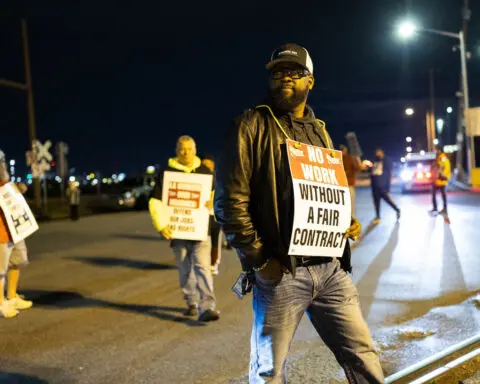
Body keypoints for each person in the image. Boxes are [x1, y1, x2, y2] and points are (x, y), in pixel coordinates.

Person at [215, 44, 384, 383]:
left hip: (331, 270)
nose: (285, 78)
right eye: (278, 72)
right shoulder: (250, 125)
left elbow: (323, 191)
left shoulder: (319, 130)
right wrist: (260, 261)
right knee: (268, 371)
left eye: (294, 72)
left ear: (311, 81)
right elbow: (229, 204)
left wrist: (343, 222)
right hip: (281, 273)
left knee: (363, 355)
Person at [149, 136, 219, 322]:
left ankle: (208, 306)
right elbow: (155, 201)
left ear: (195, 150)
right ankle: (191, 302)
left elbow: (218, 196)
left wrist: (214, 202)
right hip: (177, 231)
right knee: (185, 269)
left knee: (203, 268)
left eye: (189, 148)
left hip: (201, 231)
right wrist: (161, 224)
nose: (186, 152)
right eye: (182, 149)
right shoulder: (167, 173)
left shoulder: (205, 172)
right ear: (176, 150)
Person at [0, 150, 33, 318]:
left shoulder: (4, 181)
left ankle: (12, 296)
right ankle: (1, 304)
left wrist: (17, 189)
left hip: (14, 228)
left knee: (19, 260)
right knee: (0, 270)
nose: (2, 165)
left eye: (3, 161)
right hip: (1, 232)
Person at [364, 149, 400, 224]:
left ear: (382, 153)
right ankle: (377, 217)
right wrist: (367, 168)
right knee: (376, 202)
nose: (378, 155)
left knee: (388, 200)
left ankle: (397, 210)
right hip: (374, 185)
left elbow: (389, 174)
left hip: (382, 186)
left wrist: (388, 186)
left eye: (379, 153)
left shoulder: (386, 161)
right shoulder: (374, 161)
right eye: (377, 153)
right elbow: (371, 171)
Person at [201, 154, 222, 276]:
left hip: (215, 215)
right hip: (202, 216)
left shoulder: (218, 178)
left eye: (209, 165)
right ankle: (204, 263)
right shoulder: (198, 178)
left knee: (215, 240)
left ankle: (213, 264)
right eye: (204, 165)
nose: (207, 168)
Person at [339, 144, 362, 216]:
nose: (342, 151)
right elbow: (358, 168)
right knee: (345, 204)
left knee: (349, 204)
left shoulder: (349, 158)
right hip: (342, 185)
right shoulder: (338, 158)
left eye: (343, 149)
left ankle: (352, 219)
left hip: (348, 184)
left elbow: (357, 168)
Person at [430, 148, 451, 215]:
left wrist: (443, 176)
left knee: (443, 196)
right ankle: (435, 208)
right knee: (434, 195)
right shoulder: (438, 158)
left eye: (436, 150)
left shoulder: (443, 158)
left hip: (441, 180)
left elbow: (447, 168)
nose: (435, 151)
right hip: (436, 180)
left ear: (440, 150)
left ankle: (444, 209)